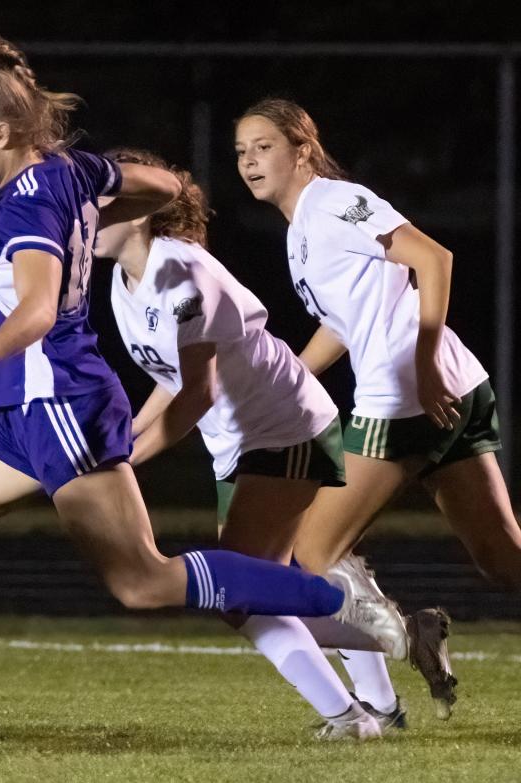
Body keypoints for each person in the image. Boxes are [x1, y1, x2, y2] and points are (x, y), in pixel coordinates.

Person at [0, 36, 394, 742]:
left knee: (142, 581)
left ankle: (334, 597)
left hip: (60, 403)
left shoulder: (27, 205)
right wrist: (98, 207)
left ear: (2, 131)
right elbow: (167, 187)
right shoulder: (70, 172)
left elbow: (40, 308)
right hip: (27, 410)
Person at [98, 147, 412, 739]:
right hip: (243, 444)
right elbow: (171, 383)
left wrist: (122, 462)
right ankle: (377, 703)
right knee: (248, 593)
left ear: (139, 210)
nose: (83, 216)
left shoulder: (181, 273)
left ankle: (351, 707)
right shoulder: (125, 283)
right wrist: (121, 442)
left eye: (97, 202)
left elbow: (196, 395)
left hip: (285, 427)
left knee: (238, 594)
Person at [232, 97, 518, 718]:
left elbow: (433, 258)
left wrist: (422, 359)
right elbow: (345, 320)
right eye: (240, 151)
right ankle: (404, 635)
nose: (249, 161)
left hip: (407, 396)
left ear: (302, 150)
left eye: (263, 147)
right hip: (459, 388)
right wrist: (292, 378)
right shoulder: (302, 227)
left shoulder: (334, 202)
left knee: (312, 555)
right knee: (504, 559)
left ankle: (406, 633)